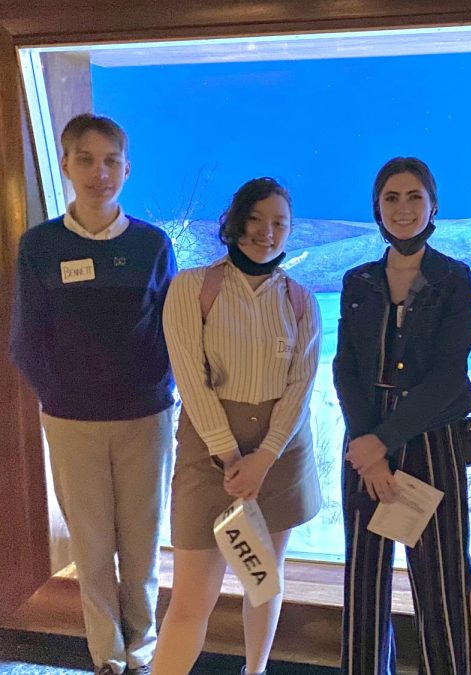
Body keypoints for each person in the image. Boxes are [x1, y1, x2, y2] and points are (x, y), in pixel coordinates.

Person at [9, 114, 176, 675]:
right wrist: (60, 398)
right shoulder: (40, 246)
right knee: (92, 546)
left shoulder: (154, 245)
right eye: (86, 159)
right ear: (66, 165)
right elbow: (27, 339)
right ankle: (105, 658)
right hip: (72, 422)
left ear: (127, 168)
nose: (99, 173)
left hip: (146, 419)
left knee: (142, 546)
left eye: (110, 161)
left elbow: (172, 333)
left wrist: (158, 391)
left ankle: (143, 654)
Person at [153, 177, 322, 675]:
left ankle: (256, 670)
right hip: (209, 456)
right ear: (234, 221)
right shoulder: (192, 289)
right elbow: (190, 379)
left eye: (279, 223)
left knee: (262, 581)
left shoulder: (301, 301)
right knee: (190, 600)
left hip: (280, 455)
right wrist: (231, 458)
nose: (266, 232)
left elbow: (300, 388)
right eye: (256, 219)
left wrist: (263, 459)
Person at [334, 157, 471, 675]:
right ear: (377, 208)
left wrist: (383, 442)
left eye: (414, 197)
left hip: (431, 435)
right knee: (364, 579)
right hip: (364, 438)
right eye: (392, 198)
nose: (403, 208)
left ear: (433, 205)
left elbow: (448, 375)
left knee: (441, 575)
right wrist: (365, 445)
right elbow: (345, 367)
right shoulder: (357, 281)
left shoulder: (453, 279)